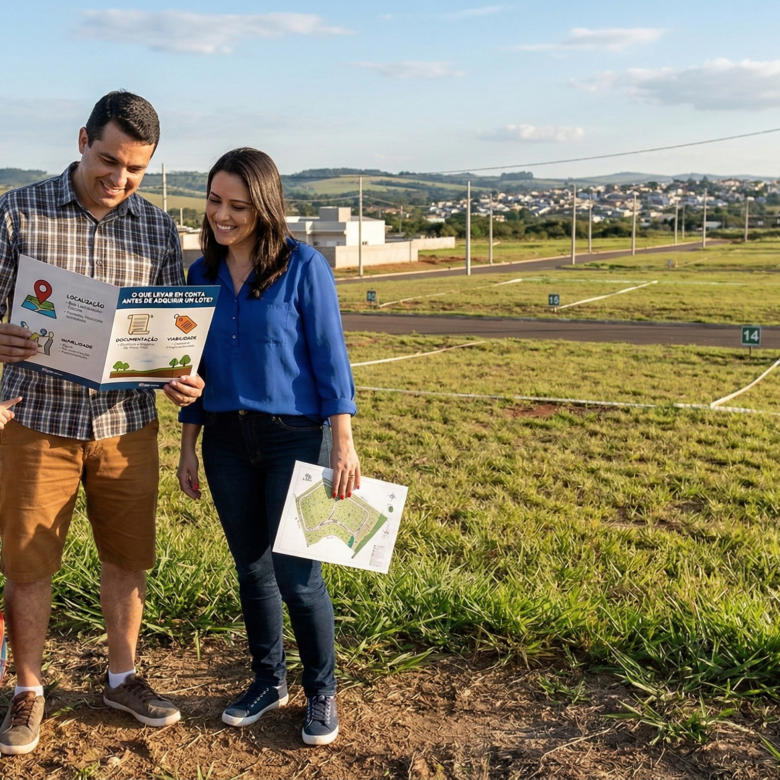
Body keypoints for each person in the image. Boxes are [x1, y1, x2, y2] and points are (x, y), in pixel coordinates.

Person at [0, 91, 204, 756]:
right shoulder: (17, 212)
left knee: (127, 556)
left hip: (127, 424)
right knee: (28, 563)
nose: (120, 179)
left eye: (136, 169)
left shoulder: (158, 229)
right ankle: (28, 690)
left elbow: (173, 331)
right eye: (109, 161)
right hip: (37, 419)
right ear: (83, 139)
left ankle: (122, 678)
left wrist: (181, 375)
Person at [177, 147, 359, 747]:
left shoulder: (304, 266)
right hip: (225, 441)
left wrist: (343, 445)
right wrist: (188, 445)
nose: (222, 215)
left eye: (238, 205)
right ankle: (267, 680)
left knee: (298, 576)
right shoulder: (199, 275)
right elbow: (194, 371)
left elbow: (331, 360)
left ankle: (321, 690)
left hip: (294, 439)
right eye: (214, 201)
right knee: (251, 570)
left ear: (264, 206)